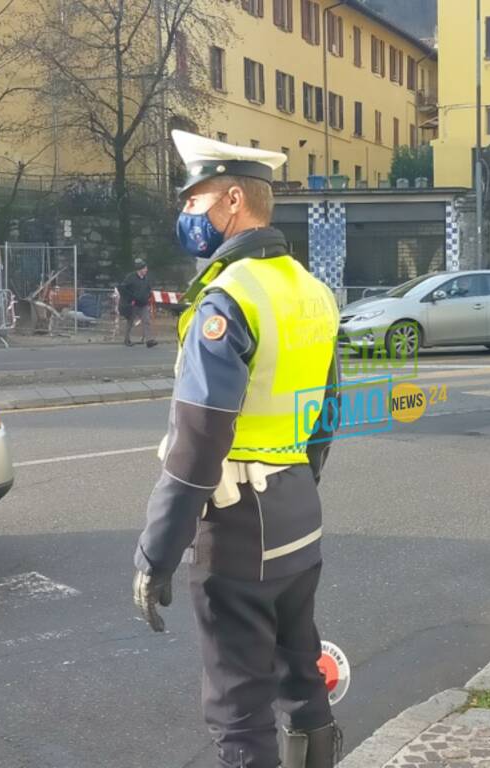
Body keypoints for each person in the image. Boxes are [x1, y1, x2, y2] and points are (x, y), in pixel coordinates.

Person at [132, 131, 342, 768]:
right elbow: (324, 419)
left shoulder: (229, 299)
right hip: (298, 515)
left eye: (194, 201)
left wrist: (155, 554)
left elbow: (197, 445)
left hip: (237, 528)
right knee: (301, 677)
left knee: (238, 707)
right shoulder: (311, 289)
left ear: (230, 200)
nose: (187, 215)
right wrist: (292, 483)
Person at [118, 258, 157, 347]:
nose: (146, 270)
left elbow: (148, 289)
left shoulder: (146, 279)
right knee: (130, 321)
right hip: (133, 304)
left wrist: (148, 296)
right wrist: (129, 300)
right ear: (140, 269)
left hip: (143, 303)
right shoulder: (130, 277)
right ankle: (127, 340)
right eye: (145, 268)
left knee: (146, 321)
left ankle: (149, 340)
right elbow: (123, 288)